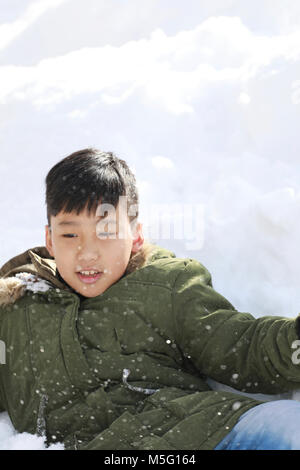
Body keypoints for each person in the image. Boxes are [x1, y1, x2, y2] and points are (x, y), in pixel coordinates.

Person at [1, 148, 300, 451]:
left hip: (205, 432)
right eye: (70, 236)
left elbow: (241, 346)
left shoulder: (166, 288)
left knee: (289, 426)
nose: (88, 253)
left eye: (106, 232)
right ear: (50, 239)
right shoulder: (17, 311)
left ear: (137, 236)